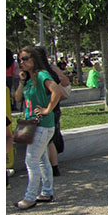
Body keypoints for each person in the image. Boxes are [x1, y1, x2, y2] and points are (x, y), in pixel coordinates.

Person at [13, 46, 63, 210]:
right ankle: (46, 192)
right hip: (31, 124)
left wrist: (48, 109)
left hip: (41, 124)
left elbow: (57, 90)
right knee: (41, 160)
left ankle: (30, 197)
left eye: (25, 58)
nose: (22, 62)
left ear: (34, 59)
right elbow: (18, 97)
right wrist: (22, 80)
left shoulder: (42, 74)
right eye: (20, 59)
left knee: (31, 161)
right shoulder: (29, 78)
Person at [37, 47, 71, 178]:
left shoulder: (42, 72)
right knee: (50, 139)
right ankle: (54, 167)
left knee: (46, 139)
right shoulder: (50, 69)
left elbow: (62, 84)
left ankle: (49, 168)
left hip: (47, 107)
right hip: (53, 107)